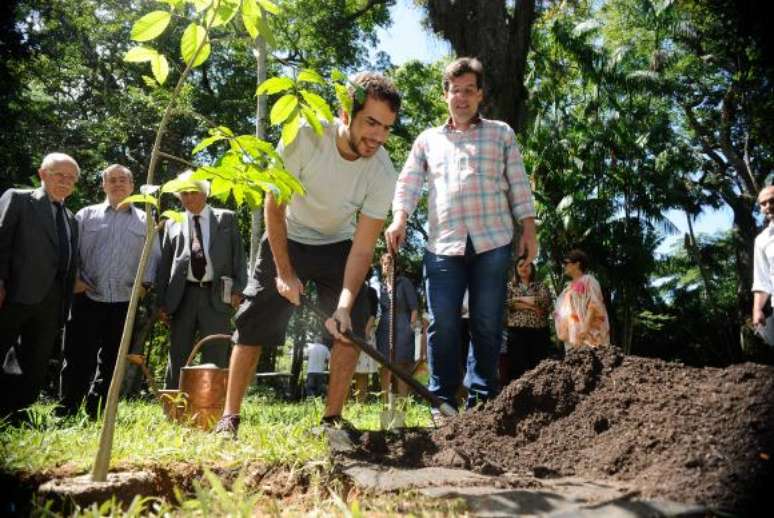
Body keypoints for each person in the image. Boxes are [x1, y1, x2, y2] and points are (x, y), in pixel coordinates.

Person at [214, 72, 402, 438]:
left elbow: (363, 248)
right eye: (371, 122)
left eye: (387, 128)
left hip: (339, 246)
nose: (378, 136)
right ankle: (229, 418)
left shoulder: (383, 172)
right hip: (289, 235)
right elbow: (274, 206)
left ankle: (332, 420)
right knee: (252, 319)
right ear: (346, 112)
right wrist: (284, 273)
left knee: (353, 325)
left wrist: (345, 306)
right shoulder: (304, 134)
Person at [385, 57, 537, 417]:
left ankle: (483, 400)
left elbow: (518, 182)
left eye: (470, 90)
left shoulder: (501, 133)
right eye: (456, 91)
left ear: (480, 94)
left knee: (487, 321)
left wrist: (528, 226)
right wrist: (399, 218)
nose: (463, 97)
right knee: (443, 322)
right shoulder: (427, 140)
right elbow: (408, 183)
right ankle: (442, 402)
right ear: (445, 95)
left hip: (493, 242)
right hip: (443, 245)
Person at [58, 164, 159, 417]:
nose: (117, 184)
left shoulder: (146, 220)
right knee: (78, 356)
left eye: (123, 180)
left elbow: (153, 259)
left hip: (125, 301)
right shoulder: (85, 215)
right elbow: (71, 253)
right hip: (87, 297)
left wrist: (144, 288)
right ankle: (68, 408)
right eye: (111, 180)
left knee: (113, 361)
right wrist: (75, 281)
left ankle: (98, 411)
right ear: (103, 185)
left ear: (132, 186)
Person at [0, 153, 80, 420]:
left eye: (71, 178)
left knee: (34, 362)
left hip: (51, 302)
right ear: (42, 174)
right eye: (60, 175)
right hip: (12, 294)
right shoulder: (19, 199)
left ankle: (16, 414)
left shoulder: (70, 217)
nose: (65, 181)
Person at [156, 170, 247, 389]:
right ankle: (174, 403)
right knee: (178, 352)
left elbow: (239, 258)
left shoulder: (226, 218)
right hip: (182, 296)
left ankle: (212, 404)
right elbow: (164, 264)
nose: (188, 198)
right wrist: (160, 302)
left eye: (193, 192)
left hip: (216, 295)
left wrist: (238, 290)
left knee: (216, 350)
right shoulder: (171, 222)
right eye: (184, 194)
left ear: (205, 193)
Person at [503, 258, 552, 384]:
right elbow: (508, 303)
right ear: (516, 269)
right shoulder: (509, 286)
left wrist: (520, 301)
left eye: (527, 265)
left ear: (532, 268)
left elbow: (545, 302)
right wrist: (531, 306)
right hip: (516, 330)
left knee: (539, 364)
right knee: (518, 365)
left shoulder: (540, 285)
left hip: (538, 330)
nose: (524, 268)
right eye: (520, 266)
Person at [376, 253, 418, 400]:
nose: (388, 266)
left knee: (401, 368)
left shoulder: (404, 282)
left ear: (396, 266)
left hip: (402, 327)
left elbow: (414, 308)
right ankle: (385, 405)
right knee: (384, 367)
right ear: (382, 267)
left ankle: (403, 405)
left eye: (390, 263)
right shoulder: (381, 287)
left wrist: (410, 328)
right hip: (384, 329)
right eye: (385, 264)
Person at [554, 249, 610, 349]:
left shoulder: (589, 280)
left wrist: (585, 329)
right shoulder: (567, 288)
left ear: (577, 264)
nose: (564, 266)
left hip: (589, 335)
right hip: (573, 338)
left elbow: (594, 305)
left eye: (566, 263)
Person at [752, 185, 774, 341]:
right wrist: (757, 309)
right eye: (763, 203)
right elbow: (762, 279)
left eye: (772, 201)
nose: (768, 206)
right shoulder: (762, 240)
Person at [352, 283, 378, 402]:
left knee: (362, 372)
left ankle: (360, 404)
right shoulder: (350, 289)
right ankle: (343, 406)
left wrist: (365, 333)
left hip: (365, 334)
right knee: (347, 370)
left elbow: (373, 314)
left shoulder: (371, 291)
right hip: (349, 333)